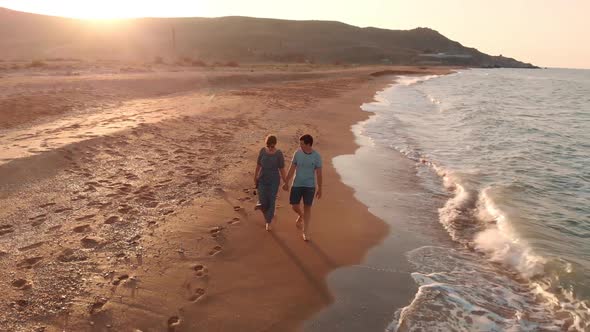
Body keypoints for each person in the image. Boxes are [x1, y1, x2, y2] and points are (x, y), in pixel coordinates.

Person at [283, 134, 322, 241]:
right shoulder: (297, 153)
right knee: (294, 205)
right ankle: (301, 215)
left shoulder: (316, 156)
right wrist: (286, 182)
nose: (300, 146)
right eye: (300, 143)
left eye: (302, 144)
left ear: (309, 144)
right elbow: (291, 169)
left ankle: (305, 232)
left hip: (310, 186)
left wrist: (320, 188)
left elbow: (319, 174)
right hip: (297, 184)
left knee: (307, 208)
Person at [254, 135, 288, 231]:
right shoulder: (262, 151)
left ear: (275, 145)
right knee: (263, 199)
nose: (270, 148)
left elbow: (282, 169)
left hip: (274, 180)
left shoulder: (279, 154)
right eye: (268, 146)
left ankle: (268, 221)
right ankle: (264, 208)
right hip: (262, 178)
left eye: (272, 146)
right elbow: (258, 165)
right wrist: (255, 176)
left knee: (271, 201)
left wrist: (286, 182)